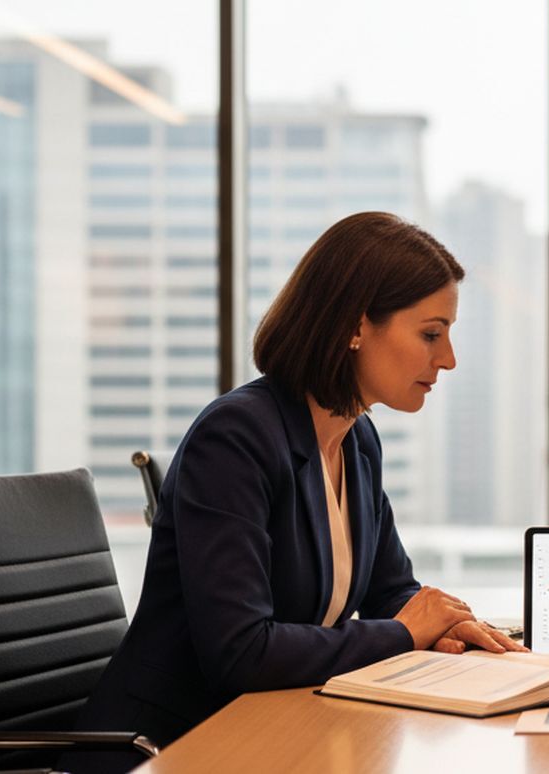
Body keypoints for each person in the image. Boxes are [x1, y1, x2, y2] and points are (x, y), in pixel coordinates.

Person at [73, 212, 524, 765]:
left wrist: (450, 627)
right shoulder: (236, 437)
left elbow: (391, 592)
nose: (448, 359)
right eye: (431, 334)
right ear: (356, 327)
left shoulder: (357, 440)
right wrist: (406, 633)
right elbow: (242, 651)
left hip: (270, 730)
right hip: (170, 747)